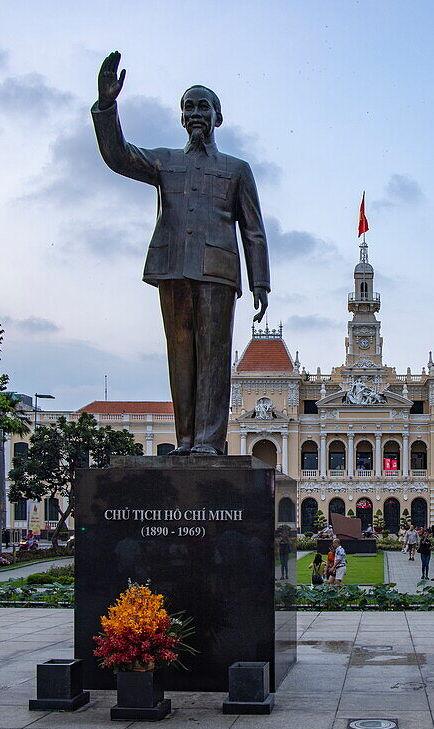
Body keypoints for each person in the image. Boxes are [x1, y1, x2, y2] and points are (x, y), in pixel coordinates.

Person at [92, 53, 270, 455]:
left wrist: (261, 282)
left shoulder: (236, 168)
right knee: (180, 354)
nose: (195, 114)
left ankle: (209, 441)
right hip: (172, 266)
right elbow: (118, 155)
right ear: (181, 118)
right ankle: (186, 440)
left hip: (219, 270)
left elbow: (254, 229)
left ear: (217, 117)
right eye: (188, 107)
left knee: (213, 355)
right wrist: (107, 106)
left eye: (202, 106)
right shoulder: (164, 162)